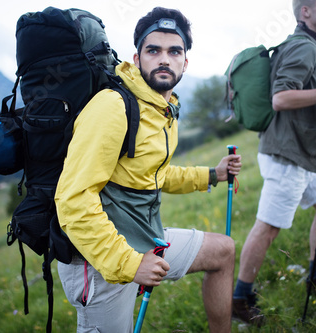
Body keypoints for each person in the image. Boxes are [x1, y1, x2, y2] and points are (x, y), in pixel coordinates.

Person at [54, 7, 242, 333]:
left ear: (186, 62)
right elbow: (73, 199)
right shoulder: (113, 106)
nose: (164, 59)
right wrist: (131, 263)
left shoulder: (161, 109)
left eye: (174, 51)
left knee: (223, 251)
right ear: (137, 58)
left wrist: (212, 175)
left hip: (146, 238)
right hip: (99, 259)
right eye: (153, 50)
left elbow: (154, 174)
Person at [232, 0, 316, 326]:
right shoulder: (301, 48)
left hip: (303, 153)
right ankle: (240, 299)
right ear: (305, 12)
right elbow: (281, 98)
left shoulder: (307, 45)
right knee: (268, 227)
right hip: (287, 156)